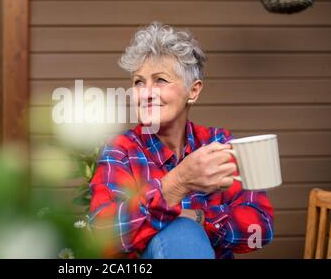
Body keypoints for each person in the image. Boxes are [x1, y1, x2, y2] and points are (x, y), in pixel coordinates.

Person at [89, 22, 274, 259]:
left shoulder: (219, 143)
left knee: (185, 229)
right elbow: (103, 235)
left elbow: (260, 227)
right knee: (181, 231)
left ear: (193, 91)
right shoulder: (120, 150)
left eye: (160, 80)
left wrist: (200, 218)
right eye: (138, 82)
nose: (146, 93)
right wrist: (177, 184)